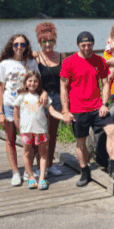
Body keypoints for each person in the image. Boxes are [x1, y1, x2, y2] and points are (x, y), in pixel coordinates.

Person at [61, 32, 114, 185]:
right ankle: (84, 171)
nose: (87, 48)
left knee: (112, 130)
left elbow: (106, 83)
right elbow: (63, 86)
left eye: (89, 45)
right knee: (81, 141)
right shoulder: (69, 62)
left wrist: (105, 104)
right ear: (78, 45)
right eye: (83, 45)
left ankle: (113, 167)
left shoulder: (99, 60)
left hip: (96, 107)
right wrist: (66, 111)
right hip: (78, 108)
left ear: (93, 45)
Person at [0, 34, 45, 187]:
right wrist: (0, 112)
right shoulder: (4, 64)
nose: (19, 47)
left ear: (26, 46)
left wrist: (43, 93)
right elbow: (0, 89)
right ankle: (15, 172)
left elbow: (39, 82)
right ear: (11, 45)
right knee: (10, 139)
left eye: (22, 44)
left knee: (30, 141)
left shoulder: (31, 62)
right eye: (16, 44)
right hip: (10, 106)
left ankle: (28, 171)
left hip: (28, 107)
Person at [13, 71, 67, 190]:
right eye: (30, 81)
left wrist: (63, 117)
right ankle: (31, 177)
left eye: (35, 81)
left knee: (43, 153)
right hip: (26, 130)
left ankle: (42, 178)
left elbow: (52, 111)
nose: (32, 83)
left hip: (41, 130)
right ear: (26, 82)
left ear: (39, 82)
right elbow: (16, 114)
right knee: (26, 153)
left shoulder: (42, 96)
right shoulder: (21, 96)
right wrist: (19, 129)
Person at [33, 22, 65, 177]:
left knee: (52, 133)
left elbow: (66, 81)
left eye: (51, 41)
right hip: (41, 97)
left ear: (55, 40)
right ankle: (39, 166)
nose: (48, 44)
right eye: (44, 41)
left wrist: (66, 104)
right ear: (39, 42)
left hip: (57, 97)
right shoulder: (35, 57)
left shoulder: (61, 57)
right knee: (40, 133)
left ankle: (50, 164)